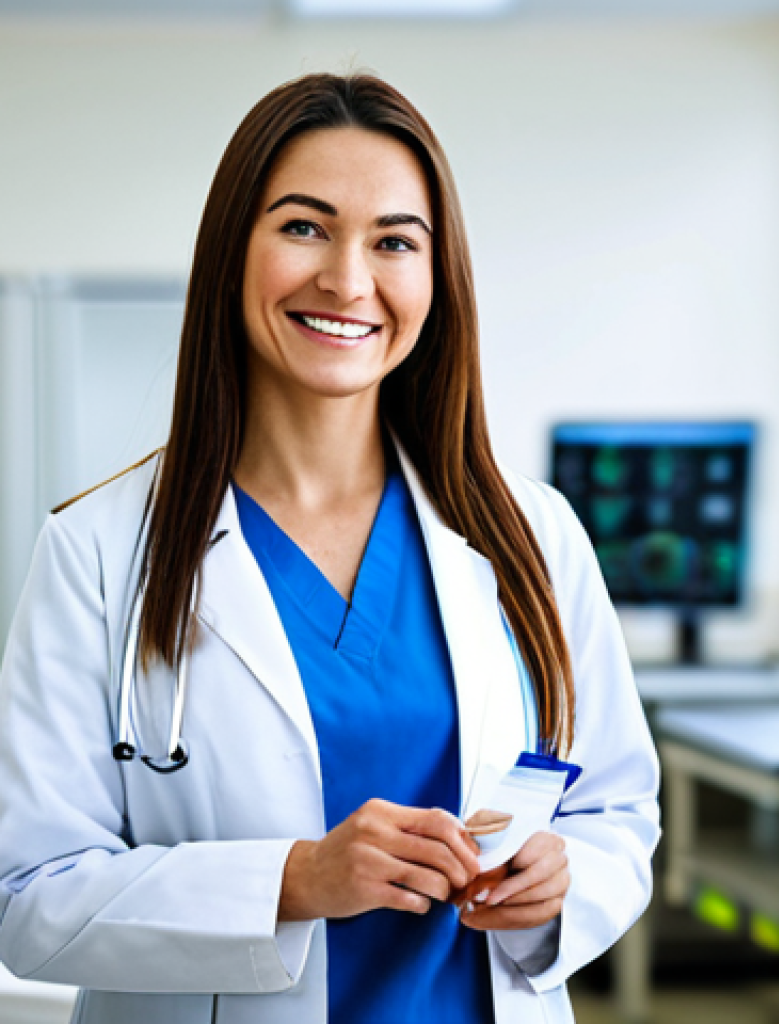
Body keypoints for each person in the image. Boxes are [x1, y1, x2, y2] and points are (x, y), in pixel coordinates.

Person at [0, 73, 660, 1024]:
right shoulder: (97, 553)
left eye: (394, 241)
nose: (349, 281)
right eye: (304, 227)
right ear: (235, 250)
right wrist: (295, 880)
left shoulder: (532, 534)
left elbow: (617, 815)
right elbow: (31, 896)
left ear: (438, 278)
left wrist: (563, 883)